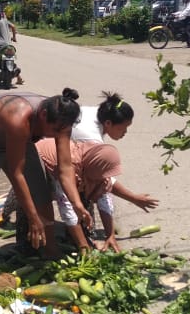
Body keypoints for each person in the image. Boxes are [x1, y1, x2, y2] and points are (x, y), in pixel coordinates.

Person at [0, 89, 92, 273]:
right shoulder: (18, 117)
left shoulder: (62, 120)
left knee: (40, 191)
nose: (55, 135)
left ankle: (50, 249)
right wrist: (33, 218)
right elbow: (16, 173)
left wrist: (77, 204)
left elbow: (65, 167)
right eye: (54, 131)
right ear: (43, 115)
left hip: (21, 140)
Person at [66, 93, 158, 251]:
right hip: (49, 158)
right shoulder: (91, 138)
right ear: (108, 123)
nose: (125, 132)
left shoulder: (100, 112)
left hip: (63, 154)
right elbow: (105, 183)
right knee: (83, 191)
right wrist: (133, 198)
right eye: (123, 128)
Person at [0, 7, 24, 85]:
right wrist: (14, 38)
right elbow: (13, 27)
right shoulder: (5, 21)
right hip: (10, 46)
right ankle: (19, 78)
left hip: (0, 45)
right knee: (10, 60)